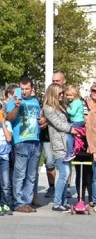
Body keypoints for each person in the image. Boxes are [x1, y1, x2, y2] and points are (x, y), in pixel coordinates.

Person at [5, 75, 42, 212]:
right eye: (22, 89)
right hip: (20, 141)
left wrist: (43, 122)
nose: (24, 91)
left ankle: (27, 201)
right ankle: (19, 202)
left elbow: (38, 118)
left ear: (32, 88)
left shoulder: (35, 101)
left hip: (35, 141)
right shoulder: (14, 101)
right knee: (19, 174)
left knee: (31, 174)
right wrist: (16, 107)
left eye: (27, 89)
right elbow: (8, 118)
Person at [42, 82, 75, 211]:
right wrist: (72, 129)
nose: (62, 95)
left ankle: (64, 201)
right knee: (64, 173)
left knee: (67, 174)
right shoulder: (48, 108)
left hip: (67, 144)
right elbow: (59, 124)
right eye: (60, 94)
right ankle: (56, 203)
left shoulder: (63, 106)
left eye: (63, 93)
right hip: (59, 144)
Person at [63, 84, 85, 162]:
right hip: (76, 121)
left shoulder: (76, 102)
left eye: (70, 95)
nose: (68, 97)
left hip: (77, 121)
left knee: (68, 134)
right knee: (73, 136)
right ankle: (73, 149)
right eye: (67, 95)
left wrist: (65, 108)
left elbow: (72, 112)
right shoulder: (74, 101)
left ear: (75, 95)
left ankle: (70, 152)